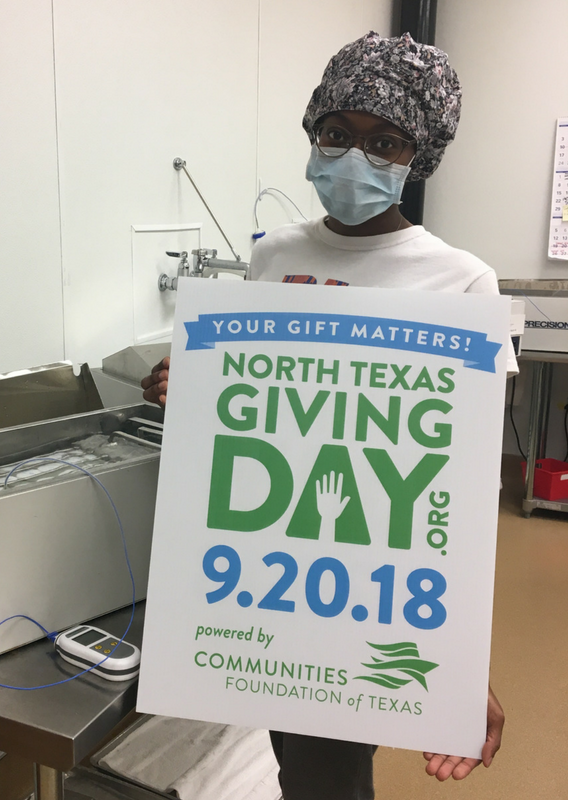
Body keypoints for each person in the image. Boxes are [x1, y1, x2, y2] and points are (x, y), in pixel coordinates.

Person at [142, 31, 507, 799]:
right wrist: (190, 389)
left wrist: (464, 664)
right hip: (274, 576)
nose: (352, 157)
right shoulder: (272, 256)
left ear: (421, 156)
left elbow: (465, 495)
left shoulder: (462, 285)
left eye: (386, 142)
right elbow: (256, 414)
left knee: (332, 776)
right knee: (304, 763)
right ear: (312, 132)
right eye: (336, 133)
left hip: (374, 577)